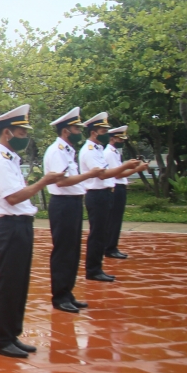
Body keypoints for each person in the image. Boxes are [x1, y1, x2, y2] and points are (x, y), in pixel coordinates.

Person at [0, 105, 65, 359]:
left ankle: (11, 334)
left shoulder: (10, 160)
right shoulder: (0, 162)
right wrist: (43, 182)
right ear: (7, 133)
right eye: (21, 132)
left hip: (21, 225)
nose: (24, 137)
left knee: (19, 283)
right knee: (9, 283)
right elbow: (13, 197)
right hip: (11, 226)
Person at [43, 107, 103, 313]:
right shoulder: (57, 151)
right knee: (64, 251)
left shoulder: (68, 150)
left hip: (73, 202)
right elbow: (61, 182)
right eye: (76, 128)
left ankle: (67, 292)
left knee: (73, 250)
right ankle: (60, 296)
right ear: (66, 131)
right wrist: (90, 174)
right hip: (63, 204)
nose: (80, 131)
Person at [79, 113, 145, 284]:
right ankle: (93, 269)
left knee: (101, 233)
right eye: (103, 130)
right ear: (94, 132)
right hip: (96, 194)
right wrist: (128, 166)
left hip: (104, 193)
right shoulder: (90, 150)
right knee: (97, 233)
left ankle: (97, 268)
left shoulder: (98, 150)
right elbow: (102, 175)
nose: (106, 134)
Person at [104, 125, 142, 260]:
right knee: (114, 219)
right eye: (120, 139)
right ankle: (110, 247)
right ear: (113, 139)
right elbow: (118, 174)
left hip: (119, 187)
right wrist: (137, 169)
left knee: (116, 219)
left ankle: (112, 246)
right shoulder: (109, 153)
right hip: (115, 187)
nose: (122, 142)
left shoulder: (115, 152)